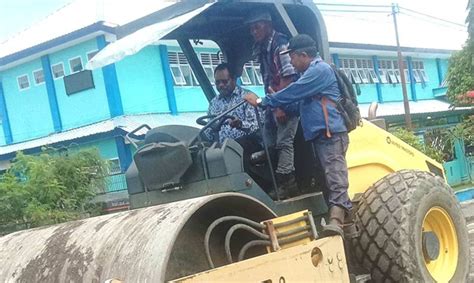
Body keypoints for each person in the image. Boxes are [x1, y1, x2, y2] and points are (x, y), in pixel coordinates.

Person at [244, 34, 352, 236]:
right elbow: (301, 105)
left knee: (334, 175)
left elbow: (294, 91)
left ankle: (337, 220)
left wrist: (263, 102)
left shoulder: (319, 71)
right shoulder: (310, 75)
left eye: (292, 58)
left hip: (331, 135)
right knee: (325, 177)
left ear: (303, 55)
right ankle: (348, 224)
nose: (291, 63)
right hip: (320, 136)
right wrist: (283, 109)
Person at [247, 10, 299, 199]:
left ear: (268, 25)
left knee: (284, 142)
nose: (254, 31)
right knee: (268, 138)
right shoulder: (262, 47)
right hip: (272, 100)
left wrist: (279, 106)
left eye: (257, 26)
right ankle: (270, 170)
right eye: (251, 28)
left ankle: (288, 182)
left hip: (286, 103)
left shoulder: (280, 44)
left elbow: (288, 77)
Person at [207, 63, 262, 172]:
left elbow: (258, 126)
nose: (221, 85)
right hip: (220, 145)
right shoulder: (213, 103)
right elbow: (209, 129)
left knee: (232, 151)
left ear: (233, 79)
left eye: (224, 81)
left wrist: (240, 124)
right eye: (217, 82)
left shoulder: (247, 97)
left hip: (246, 142)